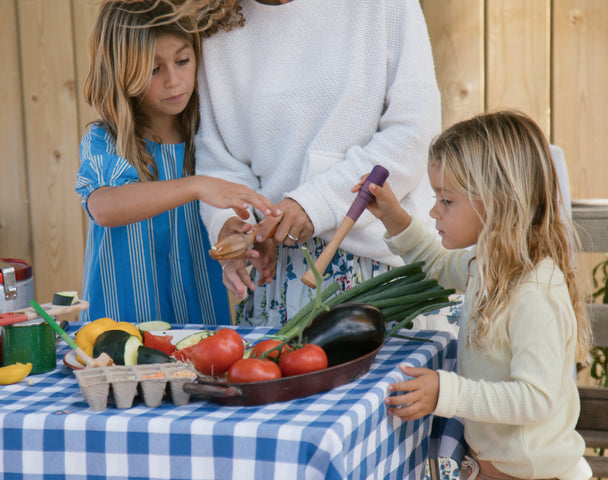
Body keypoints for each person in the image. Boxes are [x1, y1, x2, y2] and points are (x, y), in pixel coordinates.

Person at [358, 111, 592, 479]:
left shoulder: (534, 290)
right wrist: (393, 216)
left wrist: (446, 393)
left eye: (446, 201)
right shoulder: (490, 262)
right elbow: (437, 265)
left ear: (498, 201)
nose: (434, 210)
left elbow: (536, 399)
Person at [194, 0, 442, 326]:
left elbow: (413, 134)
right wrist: (229, 223)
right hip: (277, 282)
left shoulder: (383, 5)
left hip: (384, 271)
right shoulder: (215, 20)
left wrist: (316, 203)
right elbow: (218, 159)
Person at [75, 0, 279, 325]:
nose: (174, 80)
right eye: (154, 69)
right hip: (124, 329)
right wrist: (197, 186)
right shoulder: (106, 141)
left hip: (199, 325)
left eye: (182, 60)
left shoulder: (208, 141)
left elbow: (223, 218)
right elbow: (104, 207)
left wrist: (241, 240)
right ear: (121, 71)